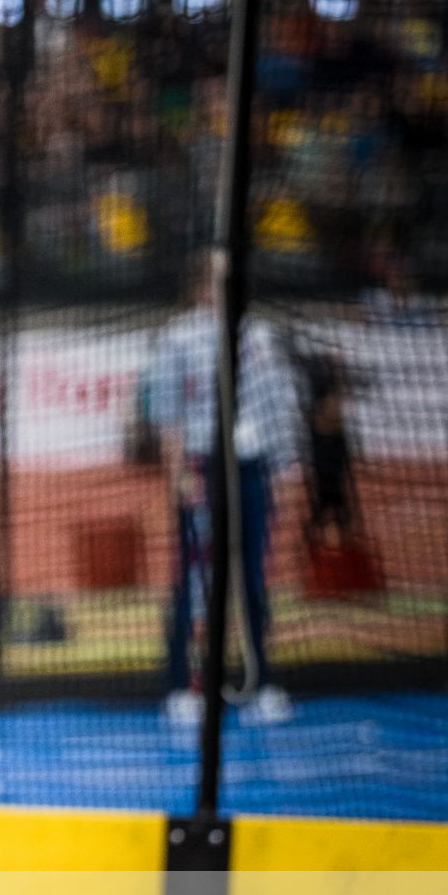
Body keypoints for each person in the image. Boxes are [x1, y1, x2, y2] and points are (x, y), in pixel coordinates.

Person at [148, 249, 299, 725]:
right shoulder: (179, 338)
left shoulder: (259, 335)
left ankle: (261, 681)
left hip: (252, 466)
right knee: (194, 580)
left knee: (253, 576)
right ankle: (180, 686)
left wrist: (283, 465)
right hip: (202, 463)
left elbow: (277, 402)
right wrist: (178, 473)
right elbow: (167, 411)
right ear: (199, 285)